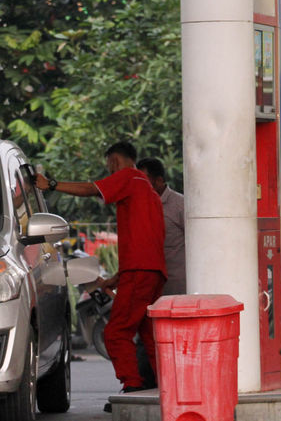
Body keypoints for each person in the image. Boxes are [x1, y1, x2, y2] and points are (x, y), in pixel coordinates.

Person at [35, 142, 167, 402]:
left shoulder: (129, 176)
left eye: (109, 164)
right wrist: (116, 279)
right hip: (151, 272)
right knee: (150, 336)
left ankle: (133, 388)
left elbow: (91, 189)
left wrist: (50, 185)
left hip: (140, 272)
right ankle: (166, 386)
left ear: (114, 160)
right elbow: (147, 242)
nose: (108, 169)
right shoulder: (148, 190)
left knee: (116, 332)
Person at [136, 157, 186, 296]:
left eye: (143, 180)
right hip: (152, 283)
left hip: (178, 284)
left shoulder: (179, 205)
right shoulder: (141, 205)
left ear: (158, 181)